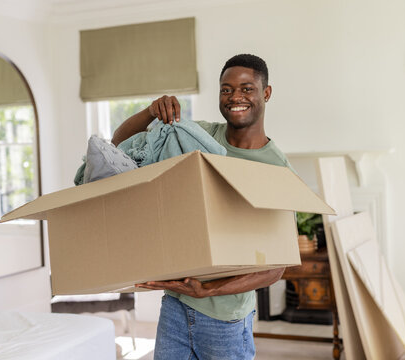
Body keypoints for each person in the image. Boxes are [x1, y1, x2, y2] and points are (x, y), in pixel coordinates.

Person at [112, 54, 293, 360]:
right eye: (226, 89)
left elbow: (277, 267)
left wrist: (209, 290)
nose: (235, 96)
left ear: (266, 93)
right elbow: (119, 144)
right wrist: (150, 111)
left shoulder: (277, 169)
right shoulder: (199, 136)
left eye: (247, 88)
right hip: (176, 305)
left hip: (226, 319)